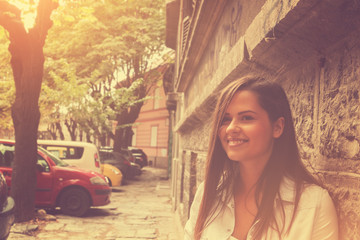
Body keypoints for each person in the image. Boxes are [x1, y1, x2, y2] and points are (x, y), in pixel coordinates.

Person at [184, 76, 338, 240]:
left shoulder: (314, 205)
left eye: (247, 118)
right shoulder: (208, 192)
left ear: (277, 127)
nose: (231, 128)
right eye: (225, 119)